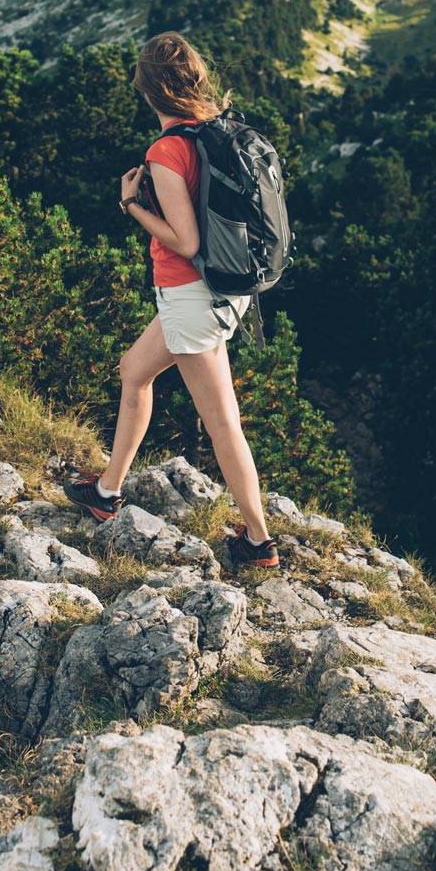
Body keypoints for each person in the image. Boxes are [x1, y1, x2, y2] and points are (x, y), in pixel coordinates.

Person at [63, 32, 279, 570]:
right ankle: (107, 492)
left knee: (223, 422)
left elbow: (185, 240)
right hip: (214, 294)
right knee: (134, 371)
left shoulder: (166, 150)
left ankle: (258, 542)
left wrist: (131, 203)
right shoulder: (214, 131)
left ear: (148, 90)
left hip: (192, 296)